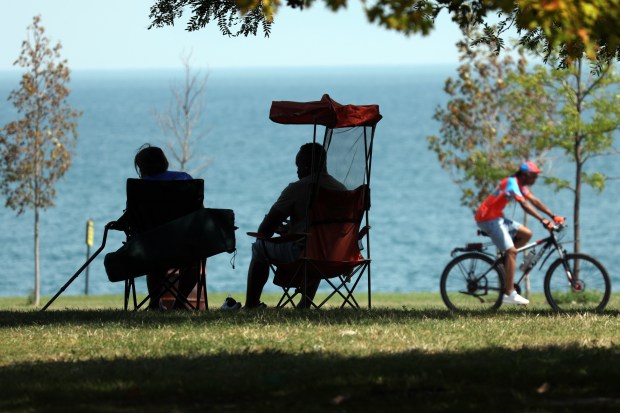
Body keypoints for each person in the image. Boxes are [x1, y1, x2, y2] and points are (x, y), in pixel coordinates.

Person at [244, 142, 346, 309]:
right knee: (318, 245)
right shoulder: (341, 189)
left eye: (298, 166)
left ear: (306, 165)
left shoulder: (298, 188)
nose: (297, 171)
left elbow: (265, 231)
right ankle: (305, 303)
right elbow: (324, 229)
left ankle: (251, 305)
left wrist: (283, 231)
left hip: (302, 254)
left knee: (259, 247)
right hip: (336, 255)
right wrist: (293, 228)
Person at [112, 144, 198, 310]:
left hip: (148, 248)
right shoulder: (184, 179)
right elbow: (197, 211)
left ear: (141, 167)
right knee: (193, 262)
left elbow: (131, 217)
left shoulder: (139, 188)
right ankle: (179, 304)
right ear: (164, 162)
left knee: (155, 260)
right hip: (183, 245)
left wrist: (117, 225)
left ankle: (154, 303)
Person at [474, 161, 565, 305]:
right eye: (533, 176)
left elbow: (534, 200)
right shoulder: (511, 183)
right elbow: (524, 204)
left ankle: (506, 262)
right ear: (525, 175)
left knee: (526, 234)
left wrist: (552, 216)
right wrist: (543, 220)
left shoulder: (519, 184)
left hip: (497, 217)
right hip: (487, 219)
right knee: (511, 252)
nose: (535, 179)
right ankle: (509, 293)